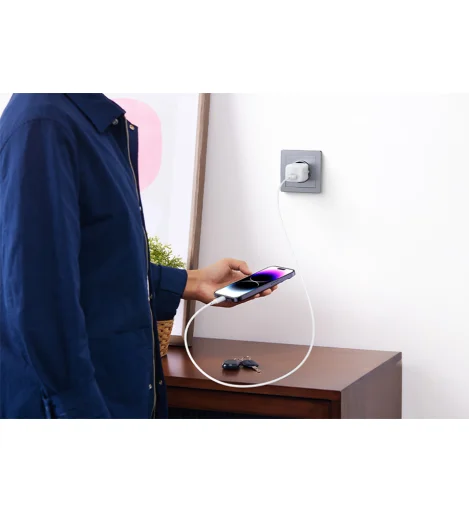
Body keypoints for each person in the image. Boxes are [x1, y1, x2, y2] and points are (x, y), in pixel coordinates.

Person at [0, 93, 276, 419]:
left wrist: (191, 282)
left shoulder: (86, 122)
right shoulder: (44, 126)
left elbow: (98, 263)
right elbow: (39, 300)